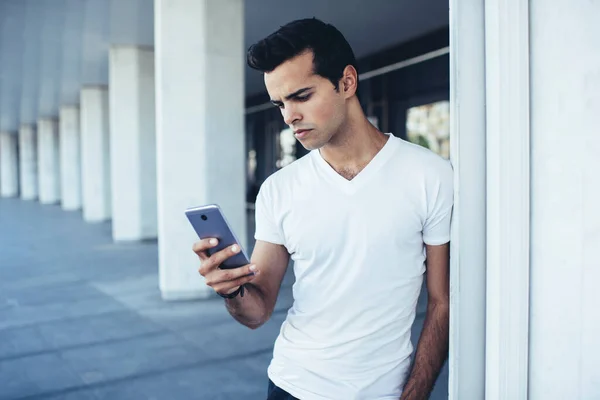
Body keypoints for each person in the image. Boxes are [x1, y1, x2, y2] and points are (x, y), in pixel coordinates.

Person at [193, 18, 453, 400]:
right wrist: (232, 291)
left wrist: (414, 394)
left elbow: (441, 303)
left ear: (346, 82)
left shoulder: (429, 174)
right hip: (292, 384)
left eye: (301, 96)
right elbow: (257, 311)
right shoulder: (279, 190)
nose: (288, 116)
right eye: (280, 103)